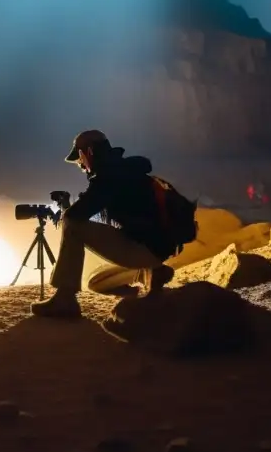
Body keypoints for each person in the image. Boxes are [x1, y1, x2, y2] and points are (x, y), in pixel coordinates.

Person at [30, 130, 177, 319]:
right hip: (154, 249)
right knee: (95, 282)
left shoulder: (109, 174)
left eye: (80, 158)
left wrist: (66, 209)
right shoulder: (125, 169)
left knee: (72, 224)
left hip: (143, 250)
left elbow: (76, 216)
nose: (81, 165)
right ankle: (153, 274)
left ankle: (64, 299)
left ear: (89, 152)